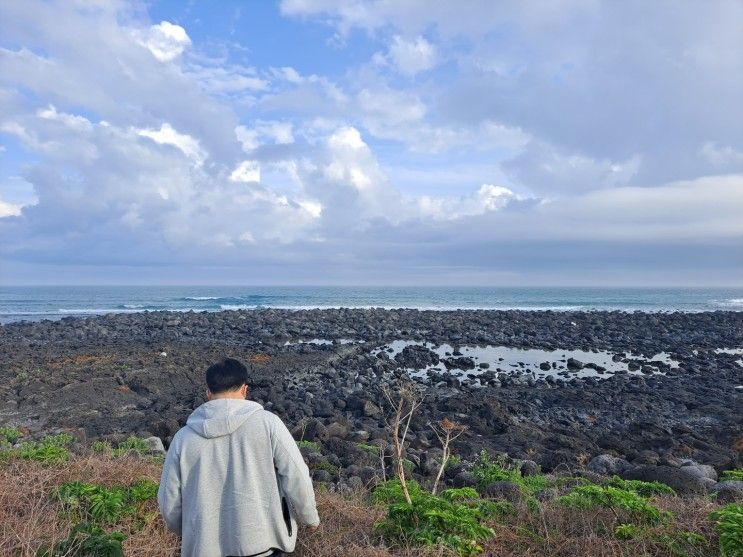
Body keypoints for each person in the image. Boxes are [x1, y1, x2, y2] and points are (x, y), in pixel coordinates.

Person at [158, 357, 320, 557]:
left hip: (204, 548)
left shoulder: (183, 438)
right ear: (245, 389)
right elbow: (296, 475)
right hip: (262, 544)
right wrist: (310, 517)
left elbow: (168, 501)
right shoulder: (269, 424)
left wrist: (189, 532)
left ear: (208, 393)